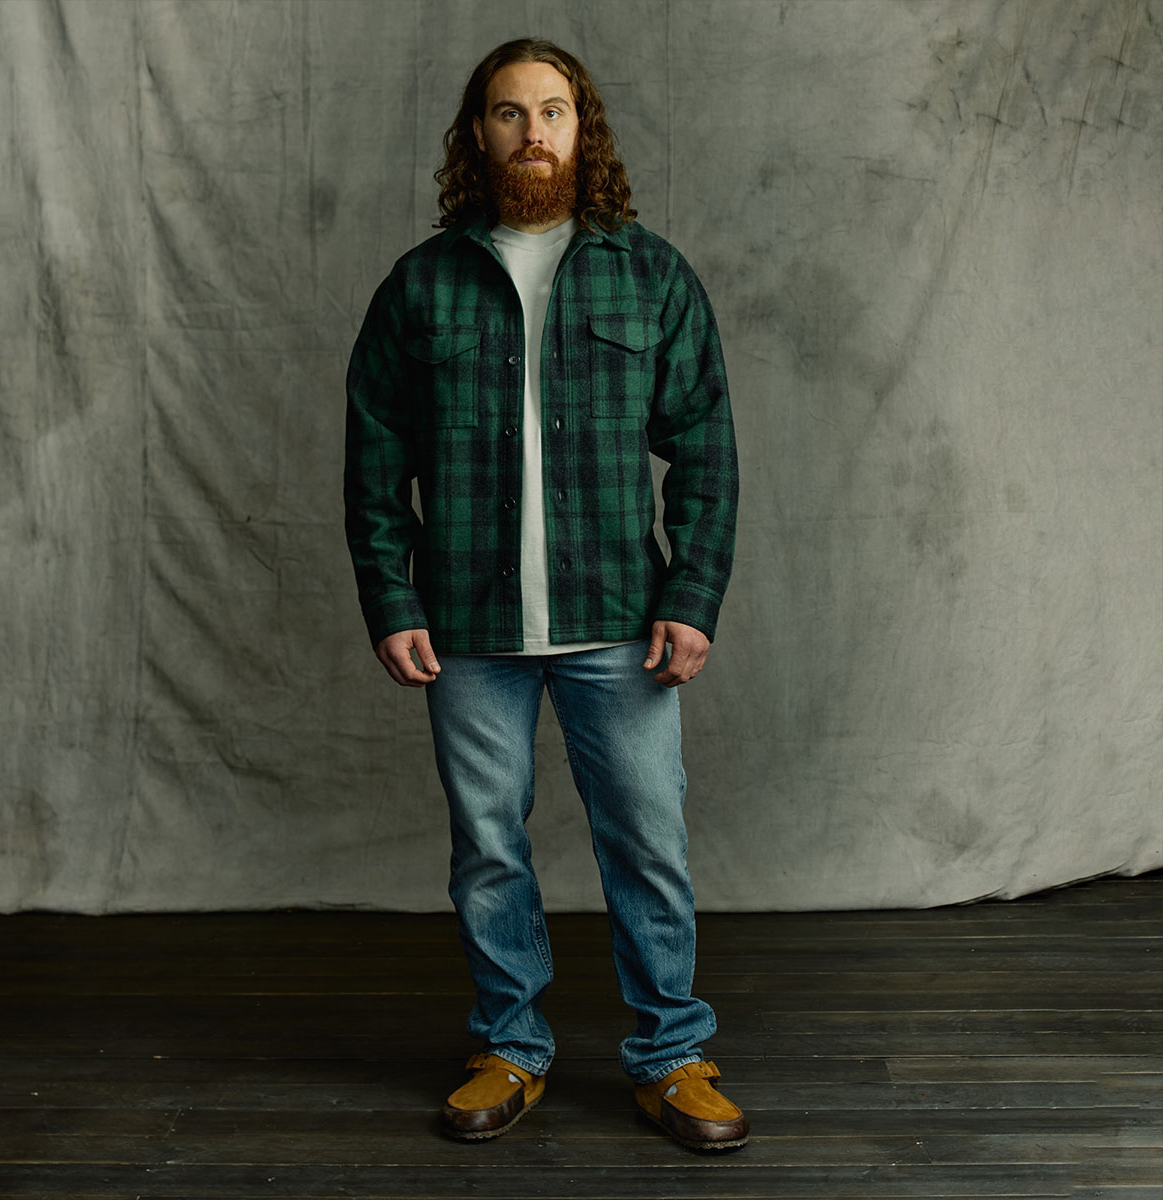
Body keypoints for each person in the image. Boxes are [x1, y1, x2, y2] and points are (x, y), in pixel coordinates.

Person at [344, 37, 743, 1152]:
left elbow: (705, 448)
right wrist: (393, 599)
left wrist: (692, 594)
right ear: (478, 134)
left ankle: (673, 1055)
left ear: (583, 129)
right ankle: (509, 1045)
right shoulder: (422, 285)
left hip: (620, 619)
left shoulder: (650, 275)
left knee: (648, 845)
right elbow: (374, 458)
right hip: (467, 627)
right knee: (487, 850)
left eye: (553, 111)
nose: (533, 132)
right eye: (509, 112)